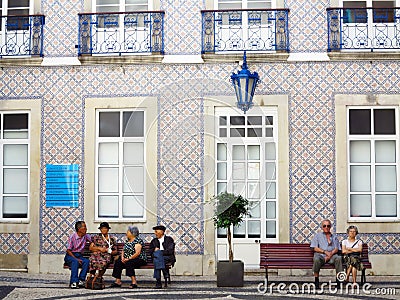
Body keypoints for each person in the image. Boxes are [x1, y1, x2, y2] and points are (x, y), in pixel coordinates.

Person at [310, 219, 342, 289]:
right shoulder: (317, 236)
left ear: (330, 227)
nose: (326, 227)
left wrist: (330, 255)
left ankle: (338, 281)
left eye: (328, 226)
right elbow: (314, 248)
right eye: (324, 226)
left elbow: (337, 248)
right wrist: (325, 252)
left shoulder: (334, 237)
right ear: (322, 227)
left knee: (339, 258)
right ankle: (316, 281)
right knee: (316, 259)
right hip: (321, 255)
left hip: (332, 255)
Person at [64, 220, 92, 289]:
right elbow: (68, 250)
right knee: (75, 262)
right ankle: (74, 282)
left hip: (79, 255)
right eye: (84, 227)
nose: (86, 229)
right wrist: (76, 258)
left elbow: (92, 241)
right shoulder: (72, 237)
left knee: (86, 261)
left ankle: (81, 280)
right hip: (70, 255)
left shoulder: (86, 236)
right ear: (79, 229)